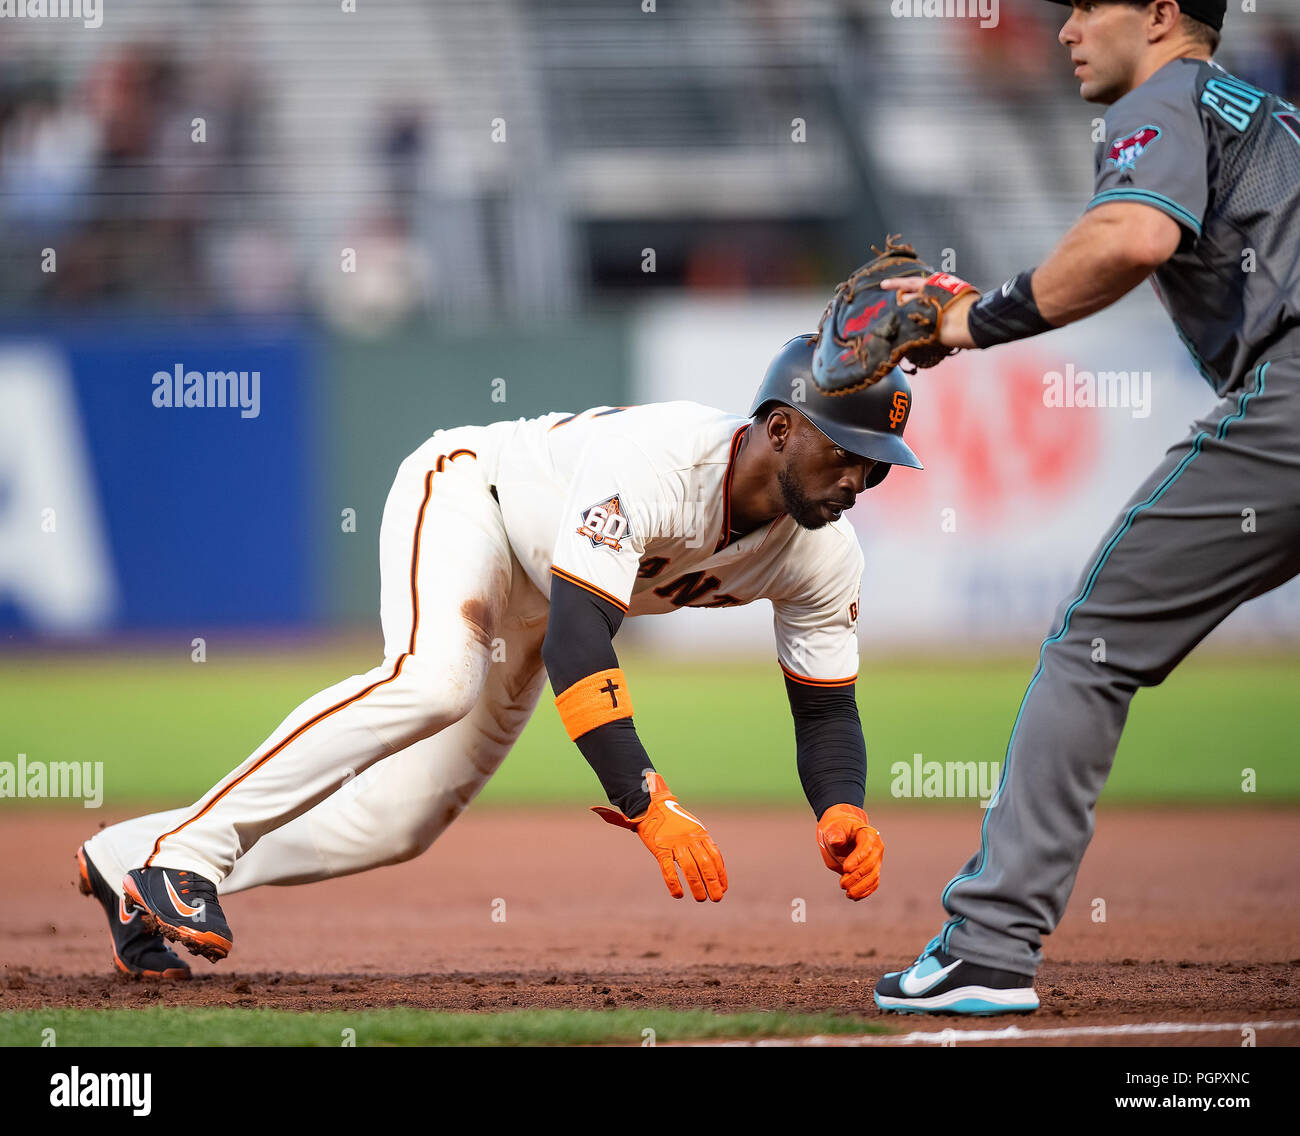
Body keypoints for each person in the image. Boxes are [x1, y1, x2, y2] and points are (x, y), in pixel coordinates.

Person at [76, 334, 904, 974]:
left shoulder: (824, 552)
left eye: (875, 468)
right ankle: (188, 858)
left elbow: (826, 706)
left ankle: (134, 859)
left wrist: (841, 805)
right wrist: (646, 798)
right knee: (436, 680)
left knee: (398, 824)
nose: (858, 480)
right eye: (846, 451)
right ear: (783, 426)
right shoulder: (664, 460)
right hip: (476, 499)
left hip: (543, 595)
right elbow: (583, 643)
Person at [871, 0, 1300, 1014]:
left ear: (1159, 15)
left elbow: (1130, 235)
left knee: (1090, 646)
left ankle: (988, 944)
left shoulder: (1165, 98)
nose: (1063, 27)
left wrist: (969, 320)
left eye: (1086, 6)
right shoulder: (1271, 116)